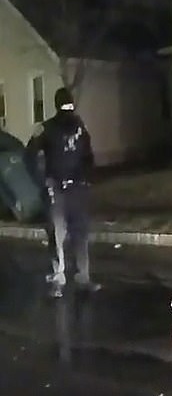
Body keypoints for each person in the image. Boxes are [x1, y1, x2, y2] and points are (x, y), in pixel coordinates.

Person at [25, 87, 101, 298]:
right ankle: (60, 278)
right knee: (60, 234)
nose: (69, 109)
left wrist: (86, 178)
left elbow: (88, 154)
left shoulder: (78, 126)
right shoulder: (48, 128)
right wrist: (42, 182)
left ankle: (80, 278)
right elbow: (29, 155)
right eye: (66, 105)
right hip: (58, 189)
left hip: (75, 189)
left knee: (76, 234)